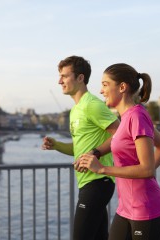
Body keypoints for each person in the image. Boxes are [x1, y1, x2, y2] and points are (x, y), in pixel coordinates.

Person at [79, 63, 160, 240]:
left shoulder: (137, 116)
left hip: (146, 210)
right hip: (125, 208)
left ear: (122, 87)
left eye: (105, 84)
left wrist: (102, 169)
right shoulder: (126, 118)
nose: (101, 90)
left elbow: (147, 169)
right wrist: (95, 152)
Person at [42, 55, 120, 240]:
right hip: (88, 183)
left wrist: (95, 153)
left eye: (64, 76)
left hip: (98, 182)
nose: (59, 81)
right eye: (60, 76)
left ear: (80, 78)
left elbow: (121, 134)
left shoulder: (92, 105)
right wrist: (57, 145)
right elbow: (79, 150)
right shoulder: (76, 110)